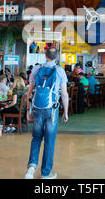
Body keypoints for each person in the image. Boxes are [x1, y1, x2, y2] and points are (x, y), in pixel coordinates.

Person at [25, 47, 68, 179]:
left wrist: (28, 109)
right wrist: (65, 111)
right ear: (57, 57)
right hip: (52, 110)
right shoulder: (60, 71)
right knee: (49, 140)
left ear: (45, 55)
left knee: (36, 137)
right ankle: (45, 173)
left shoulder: (36, 69)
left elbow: (29, 92)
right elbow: (64, 94)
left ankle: (31, 168)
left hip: (37, 108)